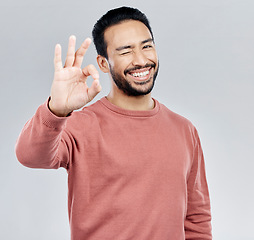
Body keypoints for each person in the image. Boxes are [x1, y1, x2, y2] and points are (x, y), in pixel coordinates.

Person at [15, 6, 212, 240]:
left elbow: (196, 219)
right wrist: (56, 109)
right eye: (125, 51)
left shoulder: (184, 130)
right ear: (102, 63)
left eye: (147, 46)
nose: (141, 60)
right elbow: (29, 155)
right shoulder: (79, 125)